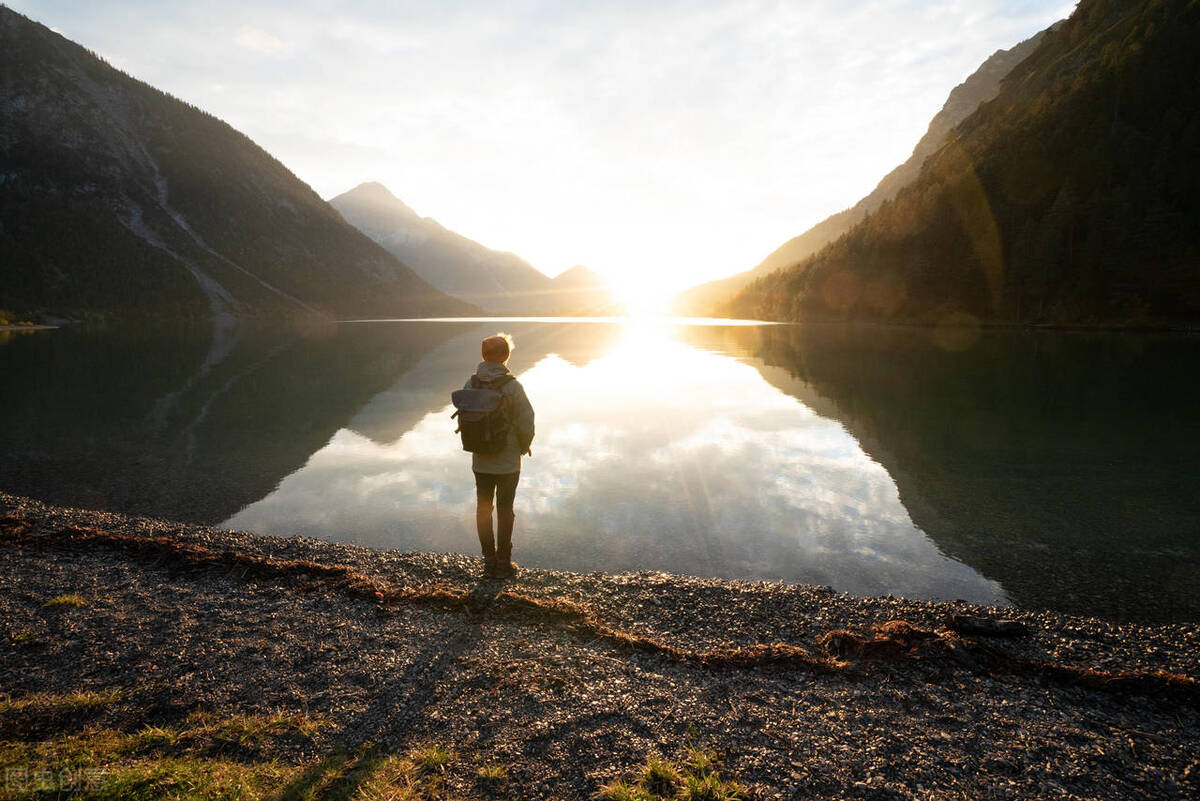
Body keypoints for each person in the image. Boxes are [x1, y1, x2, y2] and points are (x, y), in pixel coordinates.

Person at [466, 333, 534, 578]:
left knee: (483, 507)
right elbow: (526, 420)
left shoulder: (471, 384)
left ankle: (489, 561)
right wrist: (524, 445)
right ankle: (504, 562)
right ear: (506, 356)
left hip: (481, 459)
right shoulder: (513, 386)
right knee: (506, 508)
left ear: (483, 356)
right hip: (507, 462)